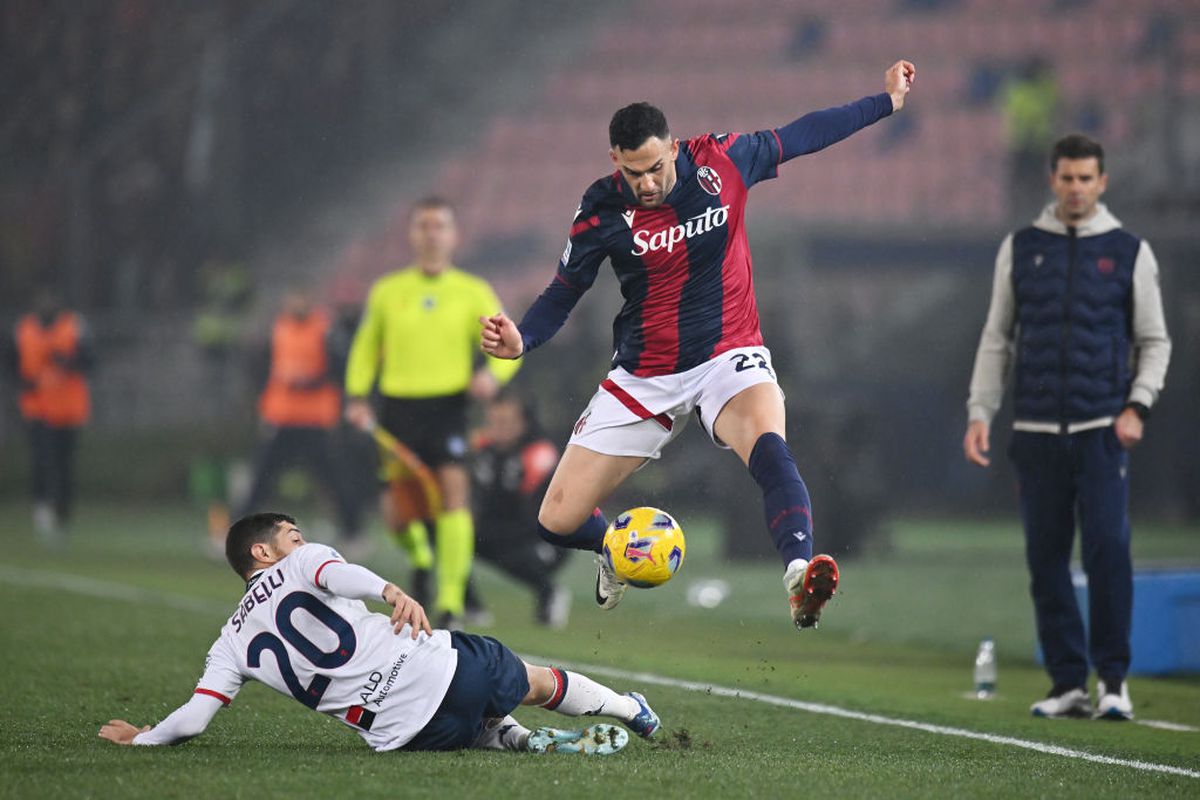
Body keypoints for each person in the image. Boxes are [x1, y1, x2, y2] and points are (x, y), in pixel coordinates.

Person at [481, 60, 916, 630]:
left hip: (726, 356)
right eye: (635, 172)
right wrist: (524, 339)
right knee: (555, 521)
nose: (648, 182)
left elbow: (804, 134)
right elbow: (566, 289)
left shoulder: (723, 161)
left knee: (769, 445)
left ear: (673, 147)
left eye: (656, 167)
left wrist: (884, 102)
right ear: (616, 160)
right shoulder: (600, 208)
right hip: (644, 376)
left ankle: (797, 573)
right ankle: (613, 551)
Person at [97, 513, 660, 754]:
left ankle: (508, 736)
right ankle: (631, 711)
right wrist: (389, 590)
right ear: (261, 552)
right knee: (535, 681)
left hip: (404, 736)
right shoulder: (302, 560)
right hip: (443, 672)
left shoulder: (229, 642)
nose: (301, 540)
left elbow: (193, 720)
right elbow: (336, 573)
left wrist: (142, 739)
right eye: (292, 535)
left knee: (467, 718)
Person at [963, 134, 1171, 721]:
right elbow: (997, 336)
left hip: (1103, 428)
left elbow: (1154, 341)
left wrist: (1139, 406)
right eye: (1067, 178)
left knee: (1109, 548)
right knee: (1046, 558)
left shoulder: (1131, 251)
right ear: (1052, 181)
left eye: (1086, 179)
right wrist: (982, 411)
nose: (1076, 188)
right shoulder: (1021, 247)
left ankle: (1114, 681)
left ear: (1102, 182)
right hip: (1033, 430)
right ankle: (1067, 684)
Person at [345, 197, 520, 629]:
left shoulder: (472, 291)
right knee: (397, 514)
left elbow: (507, 343)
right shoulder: (388, 291)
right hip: (398, 409)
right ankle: (422, 558)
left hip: (449, 408)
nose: (431, 233)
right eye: (423, 225)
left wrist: (492, 379)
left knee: (453, 494)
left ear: (454, 235)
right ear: (412, 234)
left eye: (440, 226)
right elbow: (367, 347)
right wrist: (356, 395)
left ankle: (450, 601)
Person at [235, 288, 364, 554]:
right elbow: (264, 371)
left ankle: (354, 532)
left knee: (335, 479)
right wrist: (263, 406)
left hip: (315, 419)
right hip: (282, 418)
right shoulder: (278, 329)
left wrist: (312, 383)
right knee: (261, 477)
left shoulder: (325, 330)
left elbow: (340, 370)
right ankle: (237, 531)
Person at [469, 387, 571, 628]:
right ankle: (469, 604)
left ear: (523, 422)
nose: (497, 429)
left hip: (544, 537)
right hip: (501, 529)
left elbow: (534, 514)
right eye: (492, 422)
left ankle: (548, 591)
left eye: (505, 422)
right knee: (454, 538)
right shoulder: (485, 448)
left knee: (506, 551)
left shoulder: (539, 454)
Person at [6, 290, 94, 541]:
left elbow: (90, 360)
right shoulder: (23, 328)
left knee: (64, 465)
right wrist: (23, 383)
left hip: (68, 410)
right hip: (38, 409)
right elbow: (11, 364)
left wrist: (69, 362)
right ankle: (43, 511)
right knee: (43, 461)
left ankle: (63, 515)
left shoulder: (74, 327)